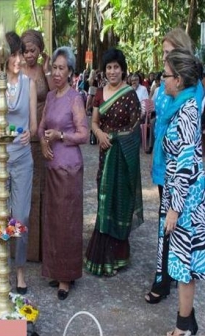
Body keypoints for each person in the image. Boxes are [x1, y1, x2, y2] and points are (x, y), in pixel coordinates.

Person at [145, 28, 204, 304]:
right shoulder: (171, 95)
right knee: (169, 235)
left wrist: (175, 207)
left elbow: (185, 159)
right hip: (166, 172)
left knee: (179, 238)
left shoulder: (190, 102)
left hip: (183, 184)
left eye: (169, 54)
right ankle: (166, 279)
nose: (164, 62)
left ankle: (183, 315)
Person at [0, 31, 37, 294]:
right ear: (4, 57)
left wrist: (30, 132)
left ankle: (20, 269)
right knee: (1, 218)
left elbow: (34, 126)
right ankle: (2, 269)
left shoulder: (29, 83)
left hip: (22, 157)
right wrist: (0, 103)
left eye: (20, 53)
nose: (18, 59)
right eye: (13, 54)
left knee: (22, 215)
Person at [84, 48, 143, 277]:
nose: (112, 71)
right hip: (105, 155)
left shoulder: (129, 94)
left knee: (119, 201)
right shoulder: (100, 93)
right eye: (109, 67)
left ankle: (117, 256)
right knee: (103, 199)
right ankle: (102, 254)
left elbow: (135, 129)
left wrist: (116, 137)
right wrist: (99, 134)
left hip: (122, 157)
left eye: (116, 67)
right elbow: (95, 121)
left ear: (123, 69)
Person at [38, 46, 88, 300]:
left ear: (70, 72)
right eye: (54, 68)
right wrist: (45, 142)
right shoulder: (50, 97)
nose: (56, 73)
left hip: (70, 169)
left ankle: (66, 277)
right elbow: (41, 127)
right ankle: (55, 271)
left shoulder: (74, 98)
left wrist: (60, 136)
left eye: (61, 68)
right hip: (51, 167)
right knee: (53, 222)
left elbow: (84, 134)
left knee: (67, 223)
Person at [161, 49, 205, 336]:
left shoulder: (187, 111)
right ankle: (186, 324)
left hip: (186, 202)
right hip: (183, 198)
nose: (162, 80)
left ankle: (183, 329)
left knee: (184, 266)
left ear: (178, 79)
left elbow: (186, 162)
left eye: (165, 75)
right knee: (182, 266)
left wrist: (175, 209)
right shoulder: (182, 105)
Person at [20, 29, 52, 262]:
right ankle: (22, 247)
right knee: (23, 192)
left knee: (41, 192)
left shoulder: (44, 70)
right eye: (26, 51)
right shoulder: (18, 71)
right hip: (21, 138)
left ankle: (41, 248)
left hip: (41, 136)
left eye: (33, 50)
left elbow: (53, 94)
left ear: (40, 50)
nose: (29, 55)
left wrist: (48, 66)